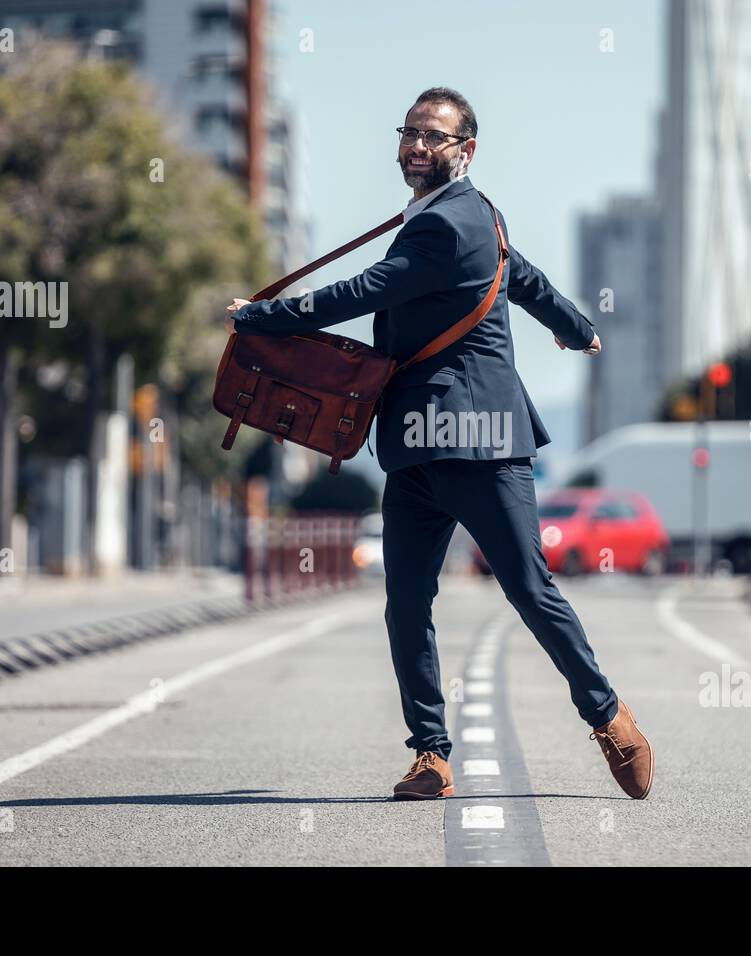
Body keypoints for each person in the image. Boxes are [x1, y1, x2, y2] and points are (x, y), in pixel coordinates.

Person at [227, 87, 653, 800]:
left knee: (528, 587)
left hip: (480, 442)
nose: (417, 146)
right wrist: (574, 326)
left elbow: (364, 290)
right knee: (406, 602)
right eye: (410, 133)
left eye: (434, 136)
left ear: (466, 151)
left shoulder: (450, 225)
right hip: (417, 445)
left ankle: (608, 716)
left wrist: (263, 317)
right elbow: (525, 279)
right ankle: (431, 754)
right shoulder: (460, 216)